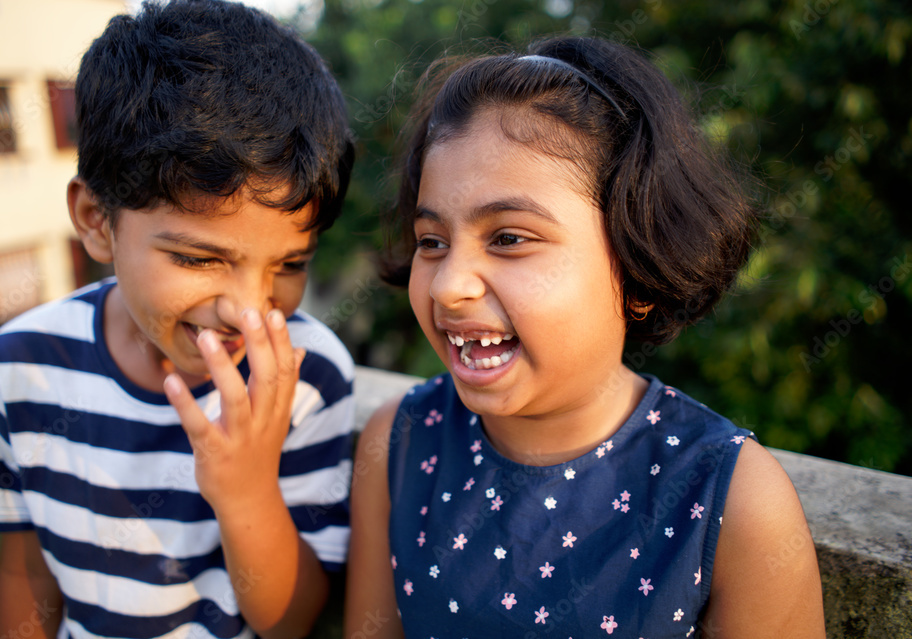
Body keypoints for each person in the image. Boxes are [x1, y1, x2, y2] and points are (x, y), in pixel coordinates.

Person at [346, 36, 824, 638]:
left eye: (509, 238)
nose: (448, 287)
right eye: (432, 241)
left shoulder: (735, 503)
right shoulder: (401, 442)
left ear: (639, 265)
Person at [0, 1, 355, 637]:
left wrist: (247, 493)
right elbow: (26, 574)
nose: (248, 309)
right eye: (200, 258)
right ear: (97, 220)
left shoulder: (303, 379)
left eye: (289, 264)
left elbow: (291, 621)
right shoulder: (26, 364)